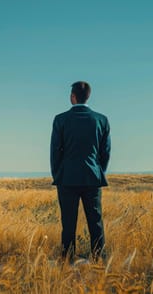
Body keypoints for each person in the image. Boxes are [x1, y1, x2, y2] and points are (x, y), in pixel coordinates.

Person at [50, 81, 111, 262]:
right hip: (92, 178)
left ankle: (68, 260)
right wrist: (98, 171)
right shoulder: (101, 120)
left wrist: (58, 174)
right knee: (96, 222)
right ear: (88, 96)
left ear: (73, 97)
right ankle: (99, 260)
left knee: (68, 223)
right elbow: (105, 152)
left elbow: (55, 151)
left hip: (67, 178)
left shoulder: (60, 120)